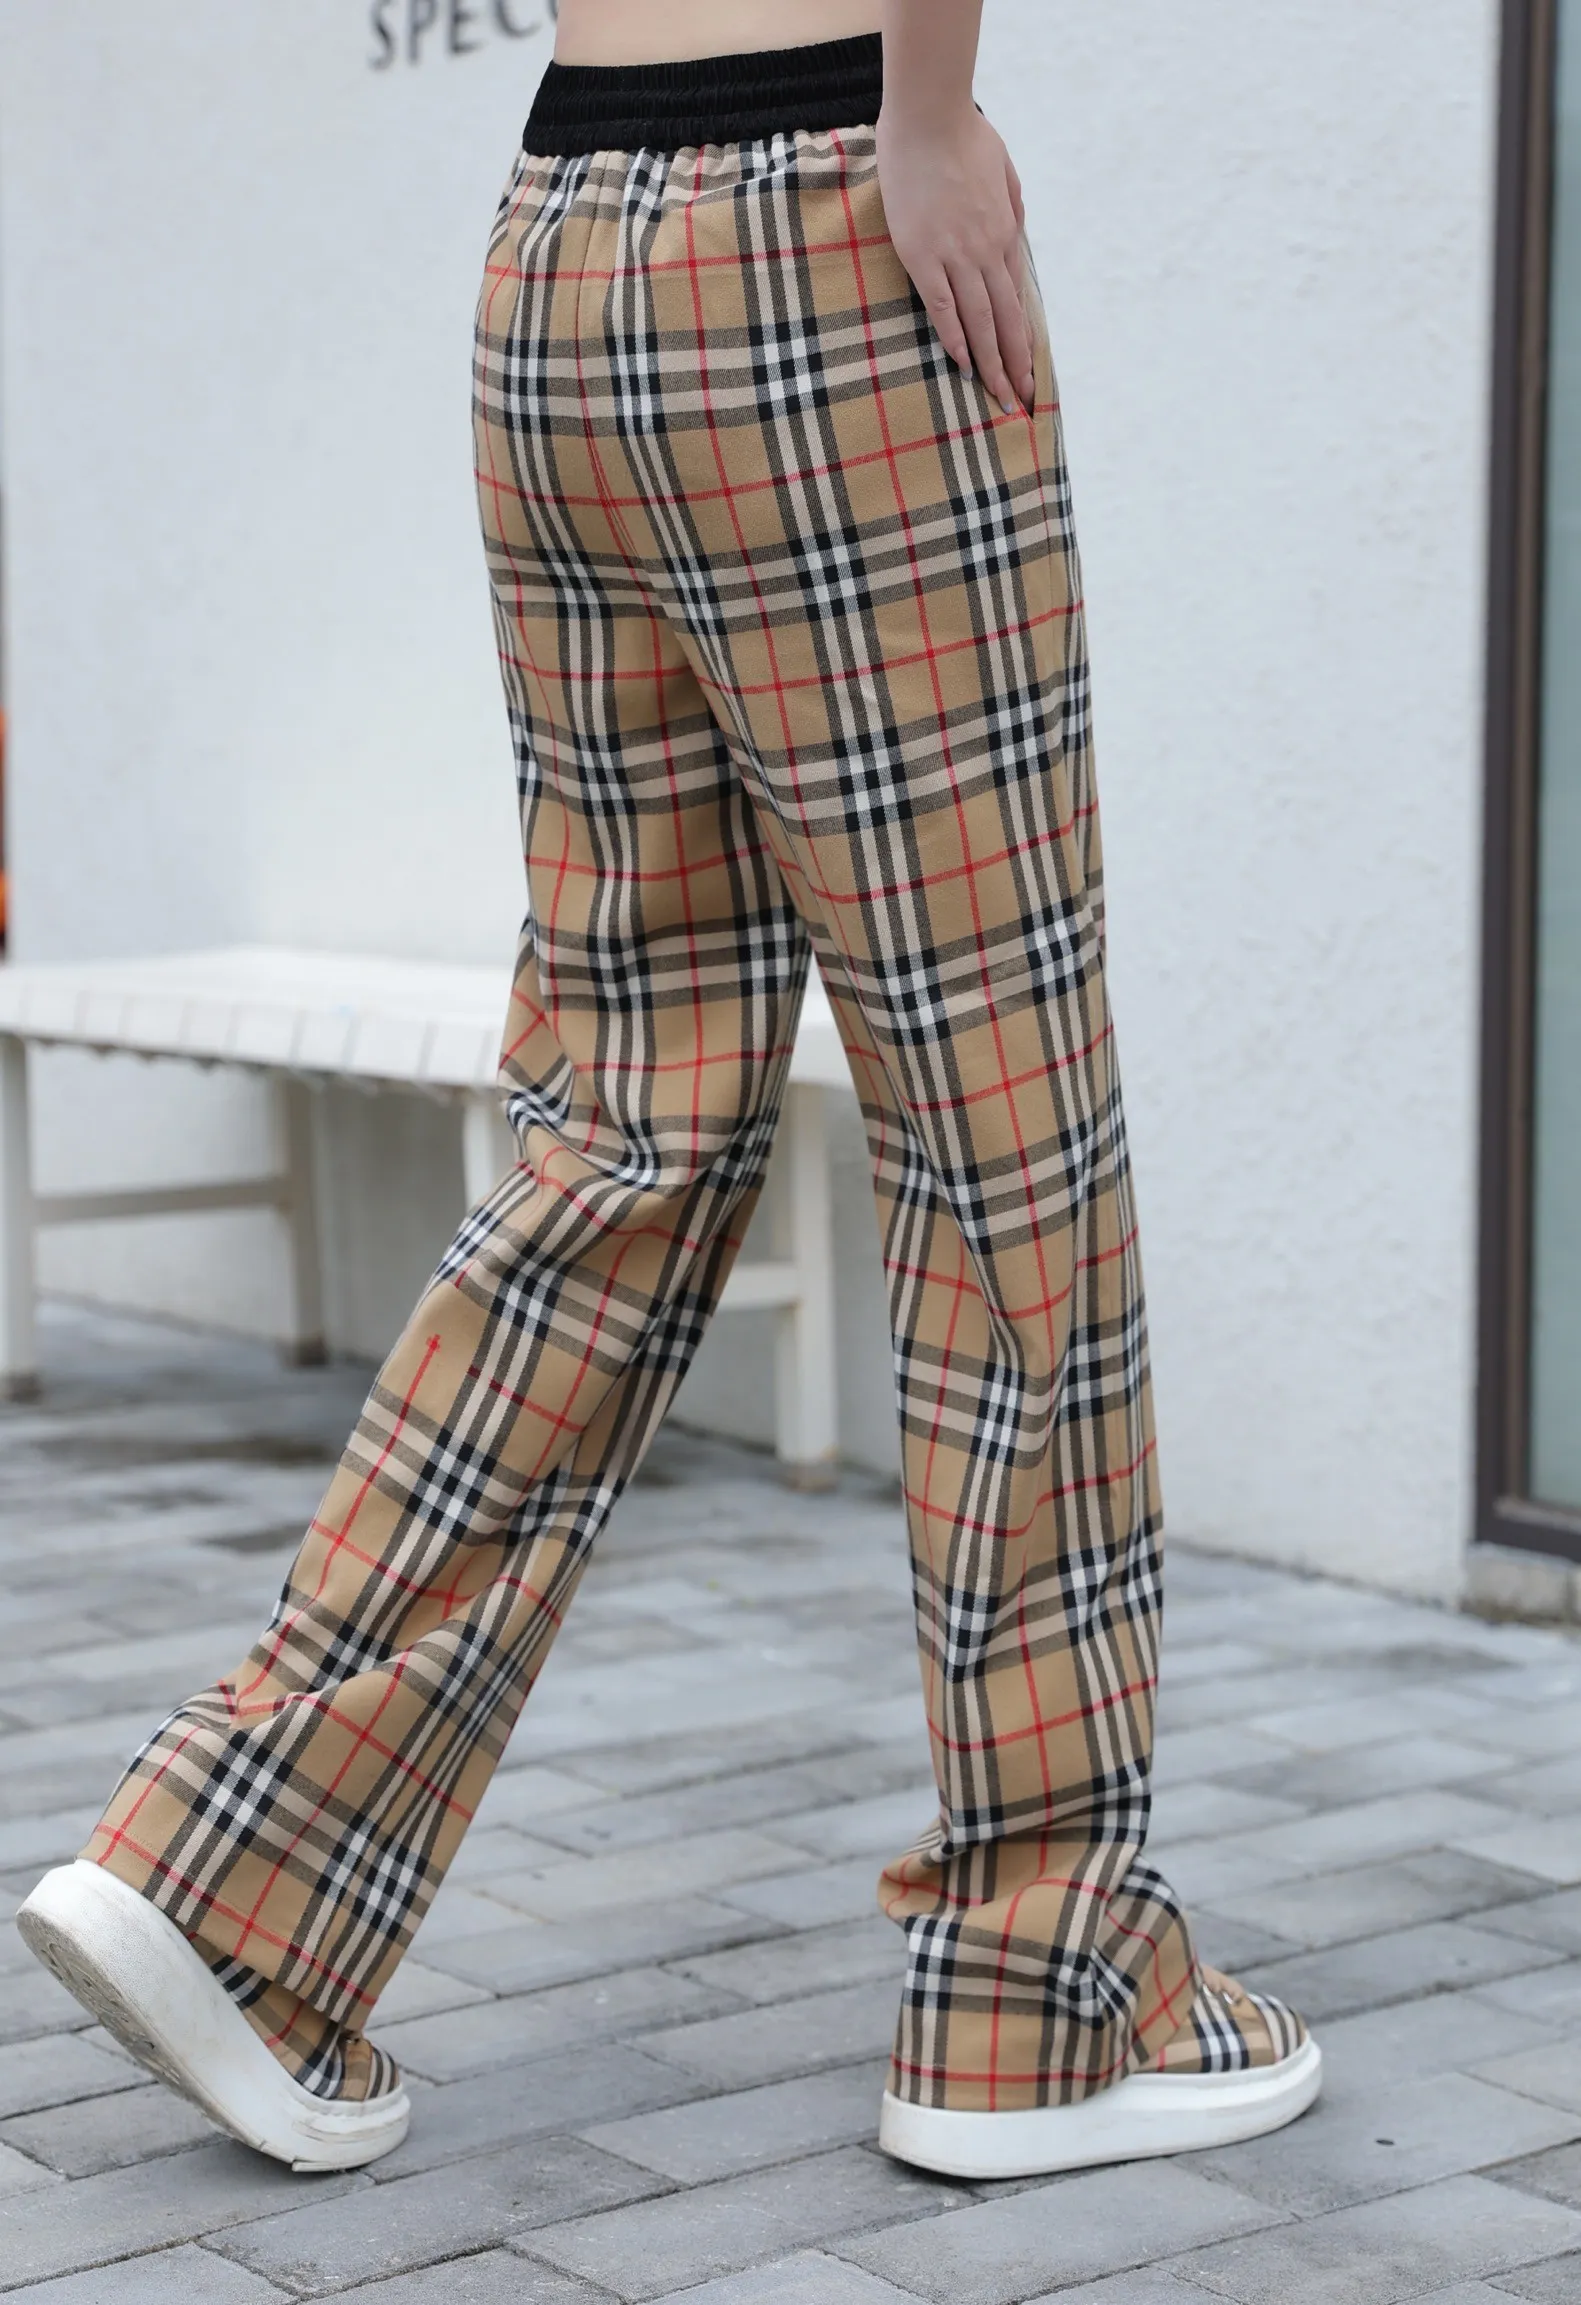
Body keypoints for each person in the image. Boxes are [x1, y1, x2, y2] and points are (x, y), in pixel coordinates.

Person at [18, 0, 1322, 2183]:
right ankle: (1035, 1983)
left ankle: (230, 1877)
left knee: (622, 1127)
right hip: (827, 225)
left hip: (563, 243)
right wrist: (930, 117)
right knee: (1002, 1136)